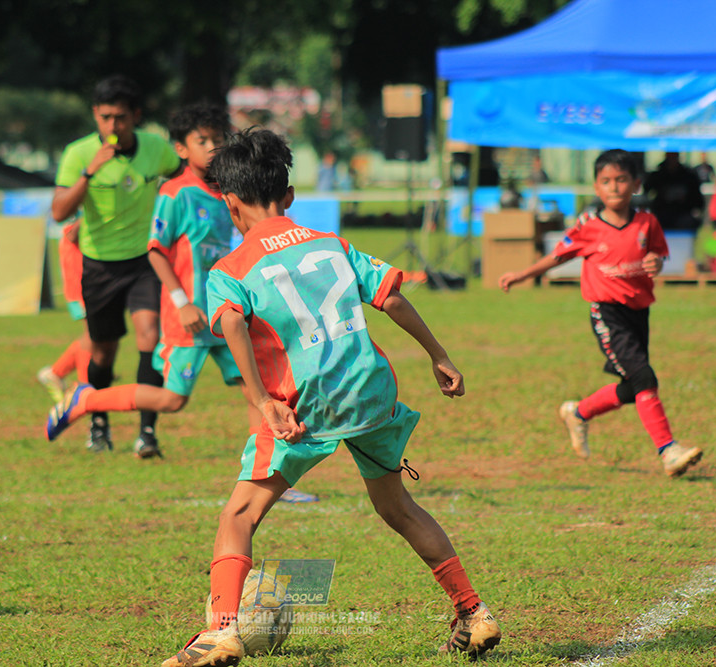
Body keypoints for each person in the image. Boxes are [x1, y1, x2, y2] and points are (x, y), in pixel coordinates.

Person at [159, 128, 501, 666]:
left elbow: (231, 325)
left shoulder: (229, 269)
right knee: (396, 506)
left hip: (306, 404)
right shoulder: (331, 244)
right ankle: (474, 611)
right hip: (369, 390)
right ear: (289, 195)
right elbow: (391, 297)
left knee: (239, 515)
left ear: (230, 203)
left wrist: (262, 400)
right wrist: (439, 355)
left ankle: (221, 632)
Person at [46, 106, 319, 499]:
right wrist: (181, 302)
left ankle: (269, 474)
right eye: (201, 140)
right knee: (173, 400)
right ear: (180, 148)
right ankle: (86, 399)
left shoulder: (228, 192)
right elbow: (155, 250)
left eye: (217, 139)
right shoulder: (174, 193)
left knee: (256, 390)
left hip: (226, 311)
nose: (211, 147)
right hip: (188, 318)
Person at [499, 149, 703, 479]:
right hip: (607, 314)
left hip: (639, 312)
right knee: (644, 378)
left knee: (633, 387)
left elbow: (657, 254)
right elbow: (558, 256)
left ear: (636, 184)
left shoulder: (647, 222)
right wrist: (522, 274)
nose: (614, 187)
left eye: (621, 180)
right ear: (596, 187)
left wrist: (656, 261)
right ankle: (668, 451)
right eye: (606, 181)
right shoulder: (589, 226)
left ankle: (578, 413)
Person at [52, 75, 182, 454]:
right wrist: (89, 173)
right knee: (102, 353)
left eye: (121, 117)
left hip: (144, 261)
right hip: (99, 266)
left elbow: (182, 178)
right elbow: (59, 211)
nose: (113, 125)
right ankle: (98, 424)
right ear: (95, 114)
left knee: (149, 337)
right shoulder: (79, 154)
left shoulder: (155, 148)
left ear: (135, 116)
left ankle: (147, 433)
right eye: (106, 117)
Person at [37, 220, 92, 406]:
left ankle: (57, 373)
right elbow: (71, 234)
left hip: (88, 281)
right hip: (82, 283)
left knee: (97, 334)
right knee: (92, 334)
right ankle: (84, 387)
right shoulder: (79, 216)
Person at [643, 151, 704, 231]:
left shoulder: (688, 176)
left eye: (673, 156)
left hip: (683, 215)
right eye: (670, 157)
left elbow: (698, 201)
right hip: (662, 215)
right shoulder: (658, 175)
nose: (672, 160)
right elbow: (646, 189)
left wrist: (684, 198)